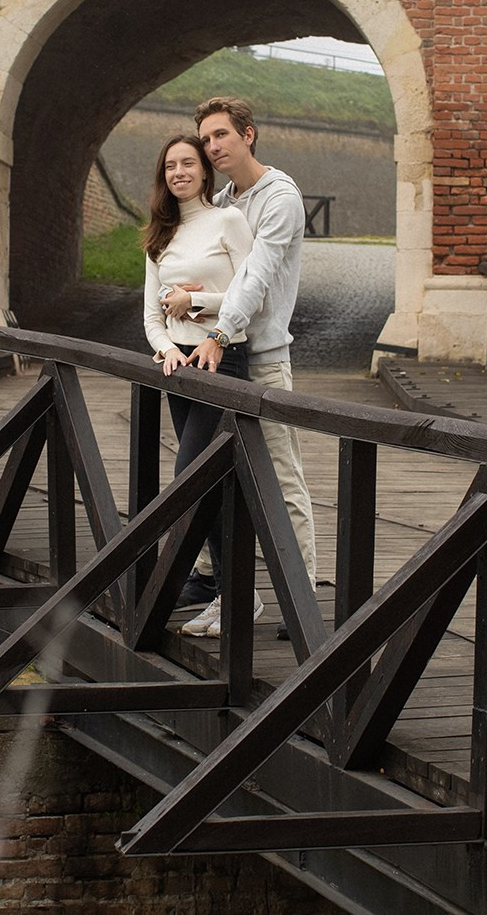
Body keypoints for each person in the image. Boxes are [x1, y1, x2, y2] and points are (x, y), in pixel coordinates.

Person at [163, 96, 317, 638]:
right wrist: (201, 305)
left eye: (221, 136)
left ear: (249, 134)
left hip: (262, 356)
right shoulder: (223, 199)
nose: (212, 147)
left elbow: (257, 279)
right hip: (221, 354)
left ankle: (303, 594)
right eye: (205, 139)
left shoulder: (280, 199)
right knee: (208, 470)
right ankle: (211, 577)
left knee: (281, 474)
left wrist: (217, 326)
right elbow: (222, 282)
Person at [139, 134, 258, 638]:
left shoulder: (228, 221)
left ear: (205, 172)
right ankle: (228, 591)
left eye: (189, 163)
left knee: (191, 475)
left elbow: (253, 291)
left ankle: (237, 593)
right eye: (171, 165)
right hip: (178, 369)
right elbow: (149, 314)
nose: (180, 172)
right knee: (208, 480)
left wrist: (200, 304)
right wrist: (165, 347)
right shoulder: (160, 235)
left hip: (221, 361)